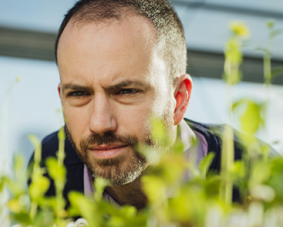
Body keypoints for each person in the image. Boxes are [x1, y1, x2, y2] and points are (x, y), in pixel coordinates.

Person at [30, 0, 270, 209]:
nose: (100, 123)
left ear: (178, 99)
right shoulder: (49, 165)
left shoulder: (257, 174)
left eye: (126, 91)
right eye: (79, 93)